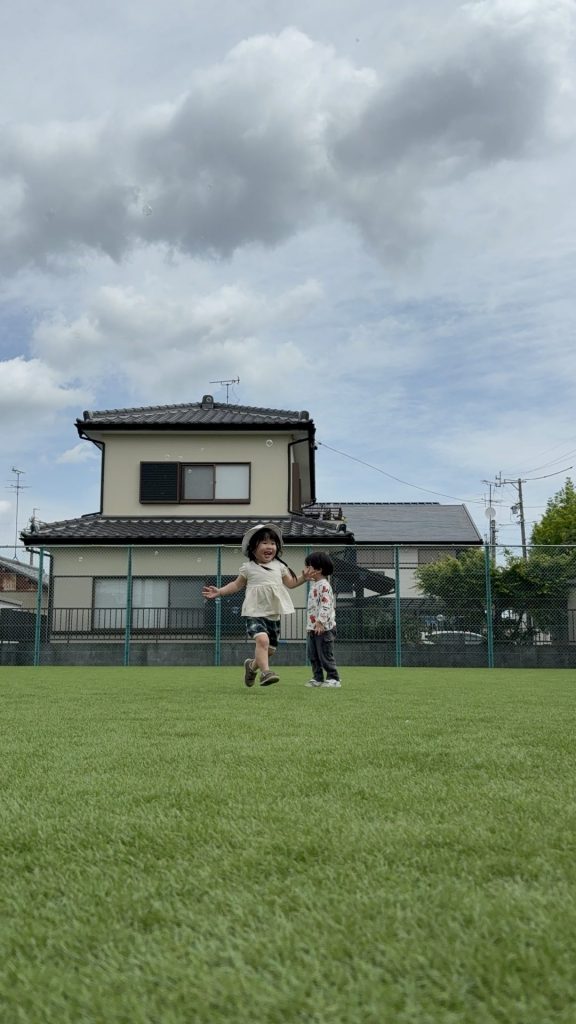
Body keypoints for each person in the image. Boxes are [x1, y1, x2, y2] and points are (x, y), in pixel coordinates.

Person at [202, 523, 308, 687]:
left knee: (269, 650)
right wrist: (220, 591)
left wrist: (303, 577)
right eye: (264, 543)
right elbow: (236, 585)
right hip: (254, 613)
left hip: (273, 615)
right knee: (263, 641)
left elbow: (291, 583)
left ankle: (251, 667)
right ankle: (266, 673)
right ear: (253, 548)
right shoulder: (248, 568)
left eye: (272, 543)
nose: (269, 546)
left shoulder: (280, 567)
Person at [304, 551, 342, 688]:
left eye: (308, 566)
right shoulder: (315, 585)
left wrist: (320, 622)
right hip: (313, 628)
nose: (305, 570)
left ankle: (333, 678)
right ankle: (318, 678)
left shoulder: (324, 585)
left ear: (319, 569)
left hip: (324, 629)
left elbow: (326, 605)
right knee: (313, 655)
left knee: (325, 654)